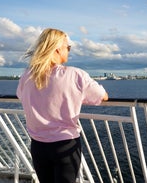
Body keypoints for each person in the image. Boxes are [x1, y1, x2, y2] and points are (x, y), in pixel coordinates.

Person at [16, 28, 108, 183]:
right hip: (65, 145)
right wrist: (76, 96)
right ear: (58, 49)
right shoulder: (75, 75)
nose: (69, 51)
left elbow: (21, 95)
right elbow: (102, 96)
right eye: (68, 47)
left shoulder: (27, 75)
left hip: (38, 145)